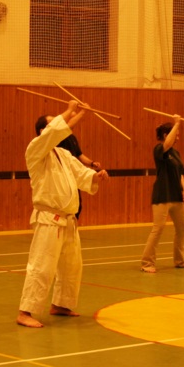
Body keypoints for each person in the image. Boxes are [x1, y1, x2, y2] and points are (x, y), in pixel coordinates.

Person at [17, 100, 108, 328]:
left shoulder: (64, 155)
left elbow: (81, 174)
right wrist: (70, 110)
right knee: (42, 266)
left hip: (68, 220)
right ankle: (25, 311)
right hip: (49, 220)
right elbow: (59, 128)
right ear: (42, 131)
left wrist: (95, 176)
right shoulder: (35, 151)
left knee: (71, 266)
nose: (61, 126)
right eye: (53, 124)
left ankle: (61, 304)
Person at [141, 116, 184, 272]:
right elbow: (167, 144)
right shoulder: (159, 149)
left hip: (176, 196)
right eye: (175, 134)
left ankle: (180, 260)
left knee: (182, 227)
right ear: (166, 135)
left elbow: (179, 172)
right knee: (158, 229)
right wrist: (177, 123)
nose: (178, 137)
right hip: (162, 195)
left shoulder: (176, 153)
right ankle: (147, 263)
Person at [57, 132, 102, 219]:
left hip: (74, 173)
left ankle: (72, 225)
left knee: (77, 204)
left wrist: (92, 163)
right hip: (62, 175)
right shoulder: (58, 137)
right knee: (65, 203)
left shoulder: (72, 137)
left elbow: (79, 155)